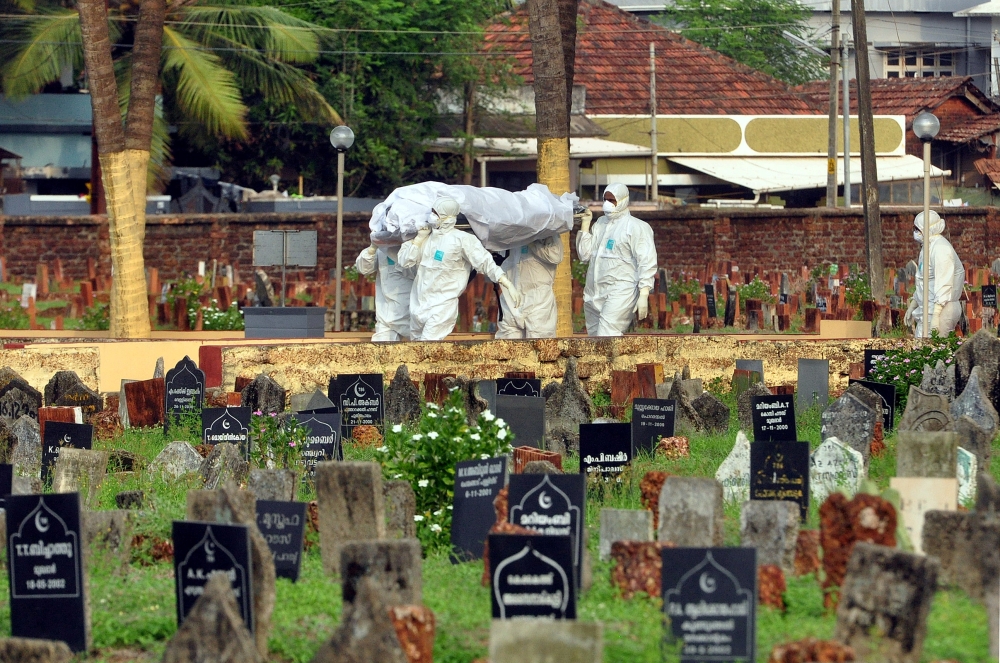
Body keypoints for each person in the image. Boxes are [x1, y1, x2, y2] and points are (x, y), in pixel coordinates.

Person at [397, 196, 523, 341]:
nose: (431, 216)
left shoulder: (462, 240)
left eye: (435, 213)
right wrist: (418, 241)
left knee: (427, 349)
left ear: (447, 216)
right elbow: (404, 262)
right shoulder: (424, 237)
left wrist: (506, 282)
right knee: (416, 352)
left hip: (442, 307)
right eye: (431, 212)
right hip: (418, 305)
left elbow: (485, 262)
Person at [575, 183, 657, 336]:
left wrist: (644, 292)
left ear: (623, 200)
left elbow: (647, 261)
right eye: (605, 199)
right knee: (594, 341)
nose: (607, 204)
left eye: (612, 200)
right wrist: (585, 225)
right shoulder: (600, 224)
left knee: (607, 336)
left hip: (621, 291)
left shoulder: (637, 227)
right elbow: (584, 255)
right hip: (594, 292)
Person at [904, 210, 965, 337]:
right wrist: (913, 305)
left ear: (928, 229)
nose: (915, 232)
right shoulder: (927, 247)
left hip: (941, 310)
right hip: (928, 309)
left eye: (918, 229)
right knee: (921, 351)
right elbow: (923, 281)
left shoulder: (941, 249)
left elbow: (944, 283)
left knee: (935, 352)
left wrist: (936, 315)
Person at [496, 236, 563, 339]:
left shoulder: (547, 230)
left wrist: (531, 241)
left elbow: (555, 256)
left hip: (538, 300)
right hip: (511, 297)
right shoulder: (508, 230)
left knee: (540, 345)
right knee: (508, 347)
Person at [355, 242, 415, 342]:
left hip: (413, 316)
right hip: (386, 316)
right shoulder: (382, 249)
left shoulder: (417, 245)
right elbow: (363, 268)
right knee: (382, 354)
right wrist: (372, 248)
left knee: (422, 352)